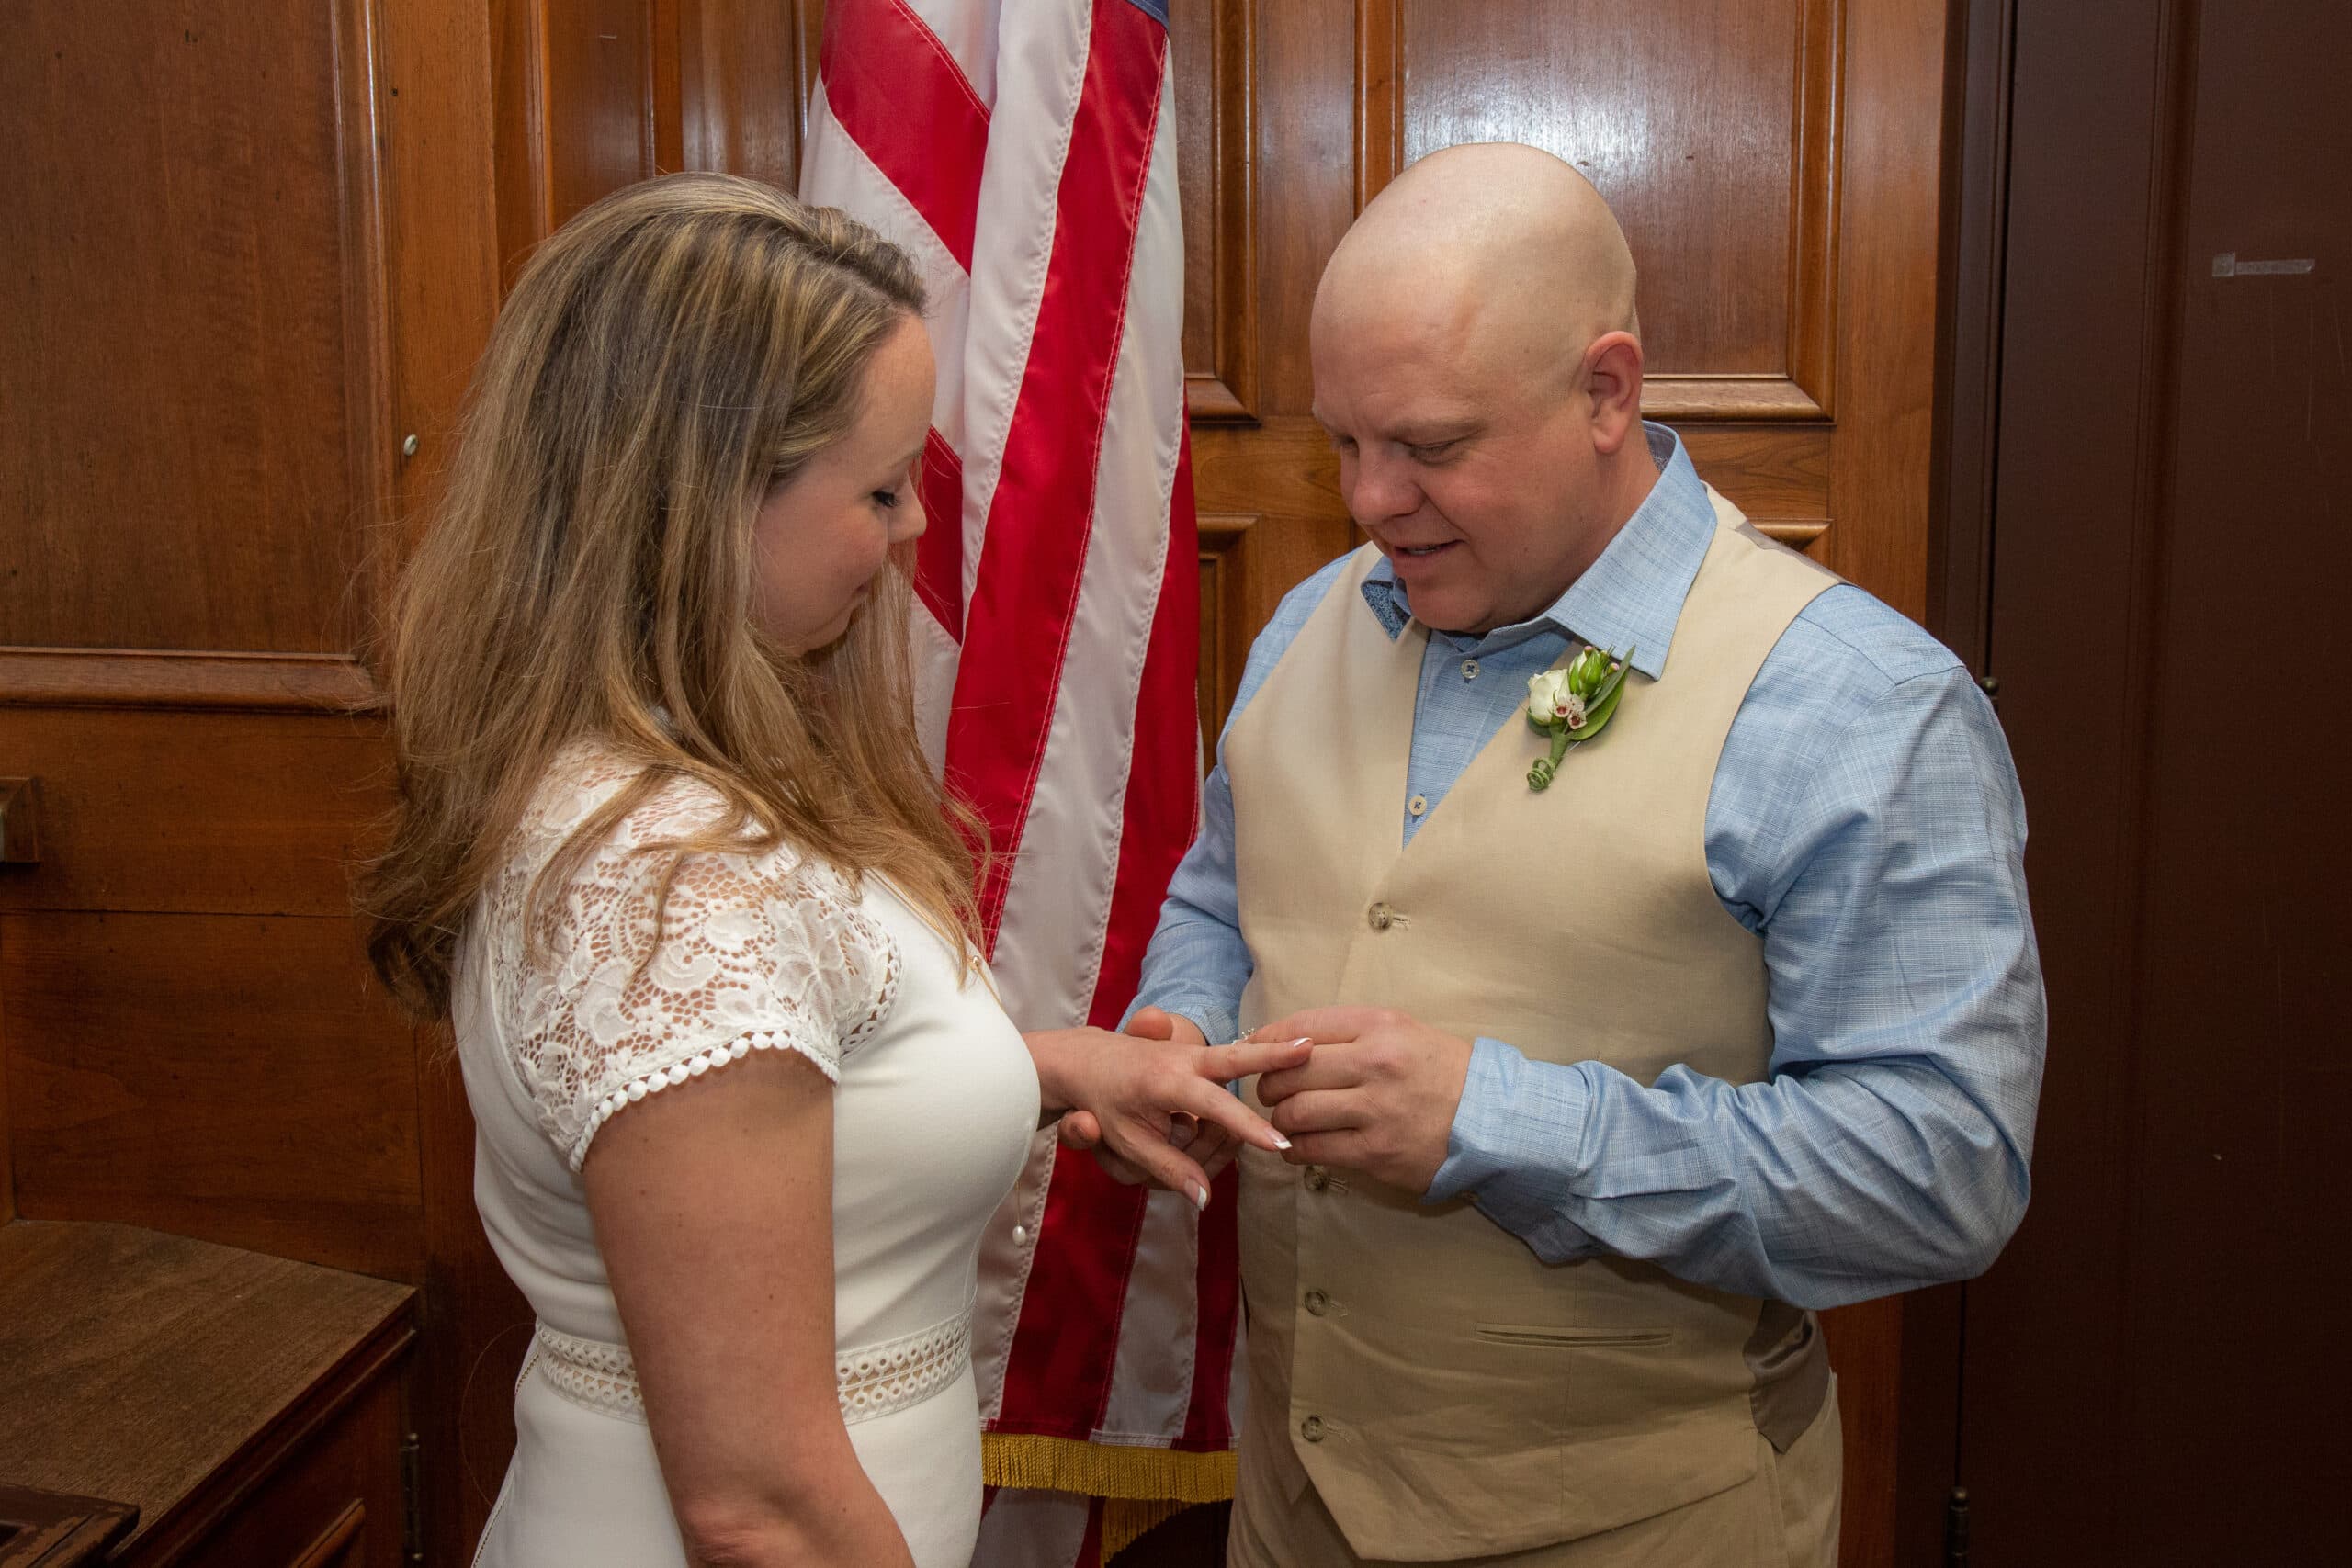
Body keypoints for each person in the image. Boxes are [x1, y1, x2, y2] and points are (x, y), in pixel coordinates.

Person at [1103, 142, 2048, 1565]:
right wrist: (1175, 1023)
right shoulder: (1311, 619)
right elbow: (1227, 887)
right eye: (1342, 442)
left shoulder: (1860, 705)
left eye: (1427, 446)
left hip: (1633, 1529)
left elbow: (1941, 1169)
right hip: (1288, 1512)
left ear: (1607, 391)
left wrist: (1508, 1122)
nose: (1368, 500)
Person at [359, 174, 1306, 1568]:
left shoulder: (681, 783)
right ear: (705, 498)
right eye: (878, 488)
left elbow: (798, 1089)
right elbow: (763, 1506)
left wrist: (1054, 1069)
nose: (915, 530)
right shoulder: (666, 886)